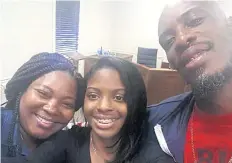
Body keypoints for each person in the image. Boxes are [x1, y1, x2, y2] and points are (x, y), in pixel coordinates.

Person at [25, 56, 174, 163]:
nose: (103, 107)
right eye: (93, 95)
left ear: (135, 102)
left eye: (119, 98)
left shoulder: (151, 156)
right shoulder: (68, 141)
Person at [149, 1, 232, 163]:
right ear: (172, 64)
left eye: (195, 21)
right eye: (169, 41)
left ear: (231, 26)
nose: (180, 40)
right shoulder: (152, 125)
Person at [1, 52, 85, 160]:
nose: (51, 109)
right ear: (22, 89)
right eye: (43, 93)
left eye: (67, 104)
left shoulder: (67, 146)